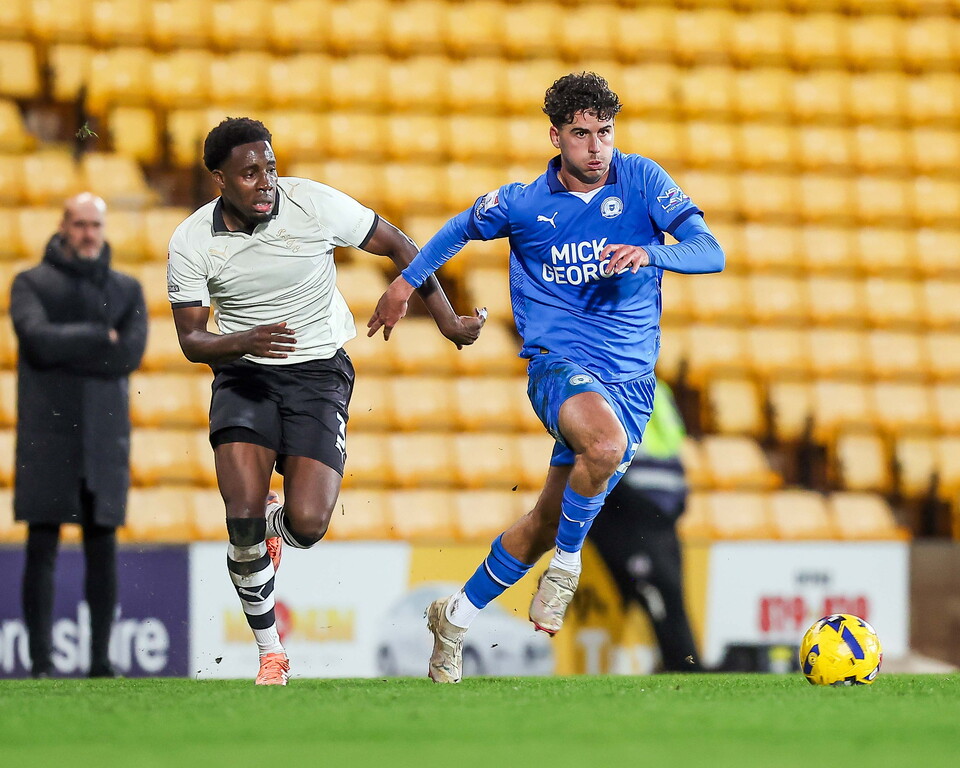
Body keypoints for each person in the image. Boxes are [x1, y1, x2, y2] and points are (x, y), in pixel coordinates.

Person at [368, 72, 724, 683]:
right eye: (581, 134)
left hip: (631, 384)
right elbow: (458, 228)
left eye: (604, 133)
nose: (595, 147)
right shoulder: (527, 203)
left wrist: (652, 252)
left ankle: (453, 616)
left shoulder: (642, 181)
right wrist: (405, 283)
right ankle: (565, 569)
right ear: (555, 136)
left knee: (539, 522)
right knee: (604, 449)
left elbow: (710, 250)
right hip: (558, 368)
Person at [166, 117, 484, 686]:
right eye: (249, 173)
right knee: (240, 519)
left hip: (317, 372)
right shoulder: (191, 241)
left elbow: (398, 244)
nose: (266, 182)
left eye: (270, 167)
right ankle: (271, 653)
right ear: (219, 180)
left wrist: (447, 321)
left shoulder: (310, 204)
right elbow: (192, 340)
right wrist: (243, 341)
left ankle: (276, 528)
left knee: (308, 523)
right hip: (242, 375)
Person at [10, 193, 148, 678]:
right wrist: (97, 336)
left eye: (95, 224)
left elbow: (127, 356)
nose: (88, 232)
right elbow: (36, 340)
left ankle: (101, 662)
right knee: (41, 546)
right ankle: (41, 663)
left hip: (104, 440)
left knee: (102, 547)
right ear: (63, 226)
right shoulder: (29, 283)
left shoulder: (127, 289)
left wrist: (67, 344)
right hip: (46, 438)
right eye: (80, 224)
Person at [588, 379, 702, 672]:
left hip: (640, 502)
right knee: (665, 593)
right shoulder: (658, 388)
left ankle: (683, 664)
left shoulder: (605, 383)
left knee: (664, 594)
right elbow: (674, 439)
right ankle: (684, 664)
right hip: (654, 502)